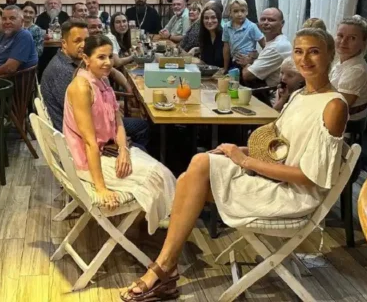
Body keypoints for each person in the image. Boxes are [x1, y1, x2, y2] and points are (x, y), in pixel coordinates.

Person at [120, 27, 349, 300]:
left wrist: (245, 160)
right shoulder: (300, 95)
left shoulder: (334, 105)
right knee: (197, 168)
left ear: (330, 55)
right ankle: (166, 265)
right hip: (272, 179)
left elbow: (309, 177)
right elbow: (279, 148)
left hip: (294, 195)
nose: (305, 59)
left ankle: (164, 268)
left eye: (314, 52)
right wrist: (239, 151)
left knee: (193, 174)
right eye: (299, 51)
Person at [64, 34, 175, 232]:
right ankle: (160, 219)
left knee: (162, 172)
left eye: (109, 56)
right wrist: (101, 188)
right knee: (156, 176)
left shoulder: (103, 81)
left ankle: (161, 216)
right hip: (88, 160)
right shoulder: (81, 87)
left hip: (110, 149)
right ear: (86, 59)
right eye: (101, 57)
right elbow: (89, 142)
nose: (108, 62)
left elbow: (118, 123)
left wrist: (124, 150)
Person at [42, 19, 148, 148]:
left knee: (143, 125)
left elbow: (111, 72)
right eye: (77, 41)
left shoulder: (77, 61)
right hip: (80, 140)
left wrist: (124, 92)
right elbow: (81, 120)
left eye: (86, 40)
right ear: (64, 43)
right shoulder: (62, 71)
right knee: (144, 128)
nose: (83, 45)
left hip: (95, 125)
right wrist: (118, 141)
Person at [331, 15, 367, 121]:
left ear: (363, 44)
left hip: (345, 125)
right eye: (340, 36)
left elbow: (337, 109)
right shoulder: (339, 63)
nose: (343, 42)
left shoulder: (357, 71)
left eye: (352, 38)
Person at [239, 7, 292, 88]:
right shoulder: (276, 41)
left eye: (271, 20)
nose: (266, 23)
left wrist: (246, 64)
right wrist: (254, 60)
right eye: (263, 19)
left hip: (271, 93)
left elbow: (247, 75)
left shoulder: (277, 46)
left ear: (282, 23)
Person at [0, 6, 39, 77]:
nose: (7, 22)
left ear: (22, 21)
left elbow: (10, 68)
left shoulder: (24, 35)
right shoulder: (1, 34)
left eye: (12, 18)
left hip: (9, 81)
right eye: (4, 19)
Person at [222, 0, 265, 70]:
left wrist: (257, 59)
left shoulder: (252, 27)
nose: (239, 14)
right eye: (235, 11)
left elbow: (264, 45)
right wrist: (225, 68)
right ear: (230, 13)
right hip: (234, 62)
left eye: (242, 11)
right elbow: (226, 48)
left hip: (249, 64)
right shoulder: (227, 27)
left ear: (247, 12)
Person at [196, 3, 228, 68]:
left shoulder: (225, 35)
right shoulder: (204, 36)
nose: (209, 21)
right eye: (206, 18)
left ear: (218, 19)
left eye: (213, 18)